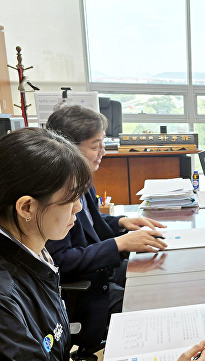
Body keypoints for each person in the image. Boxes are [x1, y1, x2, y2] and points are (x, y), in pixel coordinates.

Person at [0, 127, 205, 361]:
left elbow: (53, 352)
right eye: (70, 198)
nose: (79, 207)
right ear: (27, 207)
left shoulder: (33, 253)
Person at [45, 104, 168, 316]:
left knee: (160, 274)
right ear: (68, 148)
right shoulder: (55, 193)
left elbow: (89, 223)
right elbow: (62, 261)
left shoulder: (82, 179)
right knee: (154, 301)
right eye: (95, 146)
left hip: (102, 270)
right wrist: (120, 243)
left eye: (104, 144)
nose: (103, 152)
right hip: (87, 288)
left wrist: (121, 222)